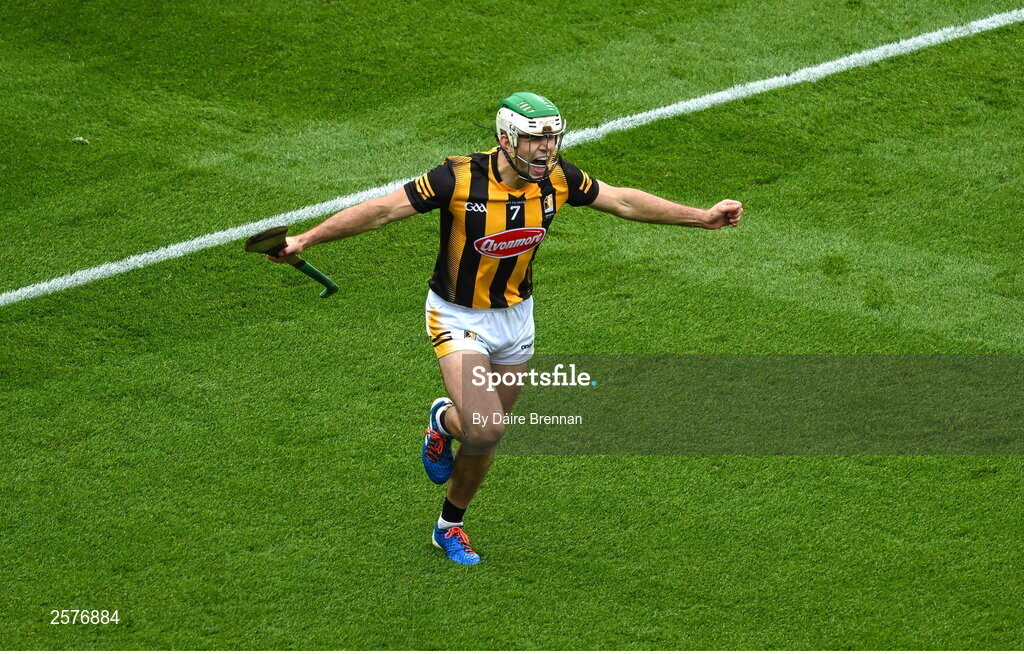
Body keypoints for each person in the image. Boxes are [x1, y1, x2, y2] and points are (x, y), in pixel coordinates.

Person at [269, 92, 743, 565]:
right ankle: (447, 433)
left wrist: (701, 218)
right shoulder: (456, 179)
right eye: (535, 139)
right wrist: (305, 239)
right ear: (505, 138)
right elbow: (382, 210)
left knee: (487, 435)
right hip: (458, 317)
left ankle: (447, 517)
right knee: (487, 425)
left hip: (517, 319)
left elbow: (621, 201)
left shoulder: (558, 178)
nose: (546, 149)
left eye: (552, 138)